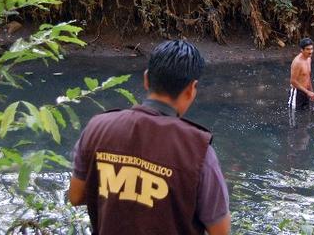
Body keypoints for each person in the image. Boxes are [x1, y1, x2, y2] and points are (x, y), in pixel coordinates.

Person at [68, 40, 231, 235]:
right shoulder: (199, 151)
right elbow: (220, 231)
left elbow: (76, 196)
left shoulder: (97, 127)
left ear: (146, 79)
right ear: (191, 89)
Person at [289, 38, 314, 111]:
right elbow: (293, 81)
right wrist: (308, 92)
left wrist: (311, 91)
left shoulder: (309, 59)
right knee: (295, 114)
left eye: (311, 49)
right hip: (297, 93)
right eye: (308, 49)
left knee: (306, 113)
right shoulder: (297, 62)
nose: (310, 52)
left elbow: (308, 76)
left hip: (306, 91)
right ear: (302, 50)